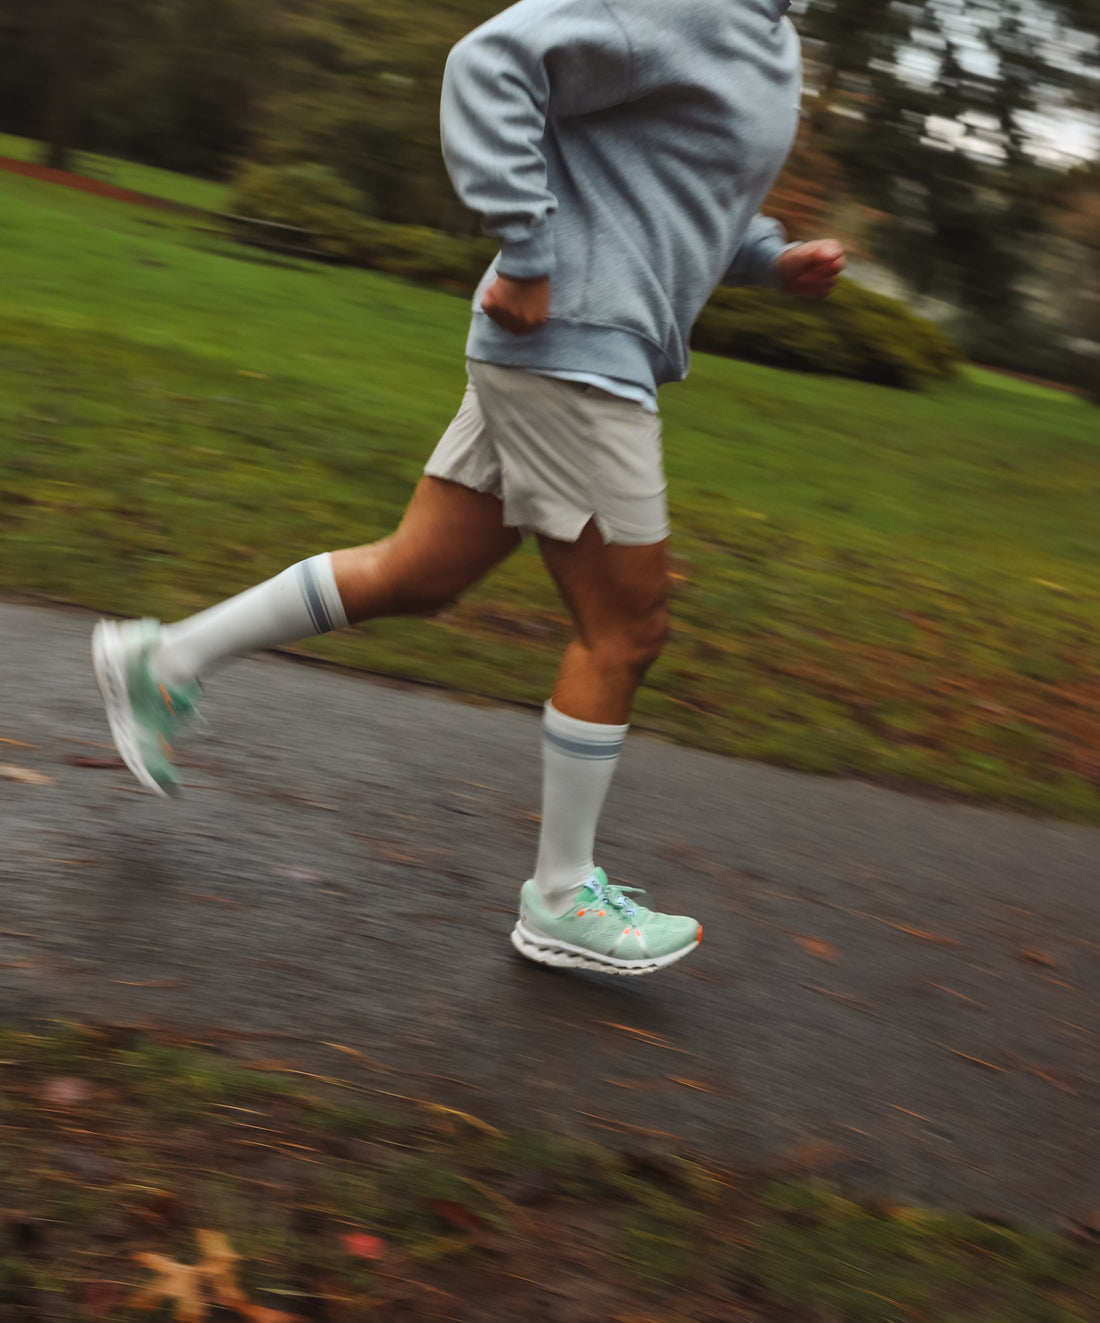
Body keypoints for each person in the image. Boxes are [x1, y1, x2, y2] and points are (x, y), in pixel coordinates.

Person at [93, 0, 845, 977]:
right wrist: (526, 250)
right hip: (574, 349)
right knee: (626, 627)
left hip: (569, 349)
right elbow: (491, 61)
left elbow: (680, 191)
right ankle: (561, 898)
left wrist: (772, 260)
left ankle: (165, 660)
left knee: (418, 572)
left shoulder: (771, 41)